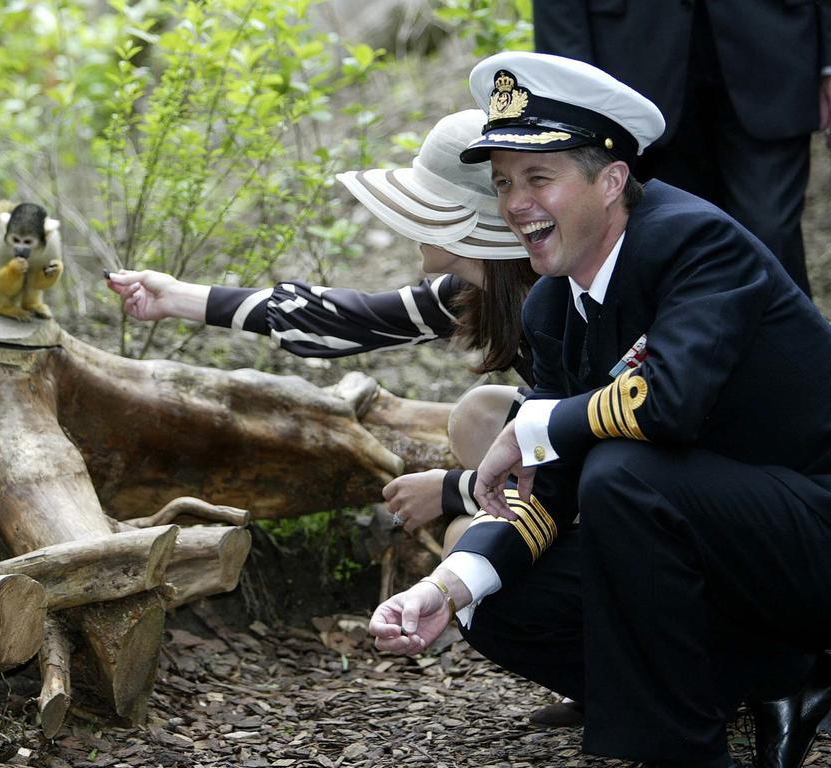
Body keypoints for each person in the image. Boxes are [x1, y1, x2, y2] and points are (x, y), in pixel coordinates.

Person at [369, 51, 831, 768]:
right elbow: (545, 494)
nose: (515, 203)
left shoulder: (693, 242)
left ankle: (682, 750)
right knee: (496, 602)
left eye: (538, 178)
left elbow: (668, 402)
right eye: (502, 183)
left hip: (811, 539)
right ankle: (755, 692)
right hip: (723, 556)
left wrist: (532, 424)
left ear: (612, 180)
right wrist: (444, 585)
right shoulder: (556, 306)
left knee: (622, 473)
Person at [106, 109, 537, 534]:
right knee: (478, 417)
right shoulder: (469, 293)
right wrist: (176, 296)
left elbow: (592, 434)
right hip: (569, 456)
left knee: (465, 529)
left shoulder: (551, 297)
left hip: (593, 471)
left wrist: (452, 489)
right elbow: (345, 319)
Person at [530, 0, 831, 296]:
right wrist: (567, 84)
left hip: (775, 52)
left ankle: (781, 345)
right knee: (666, 245)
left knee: (770, 234)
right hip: (630, 64)